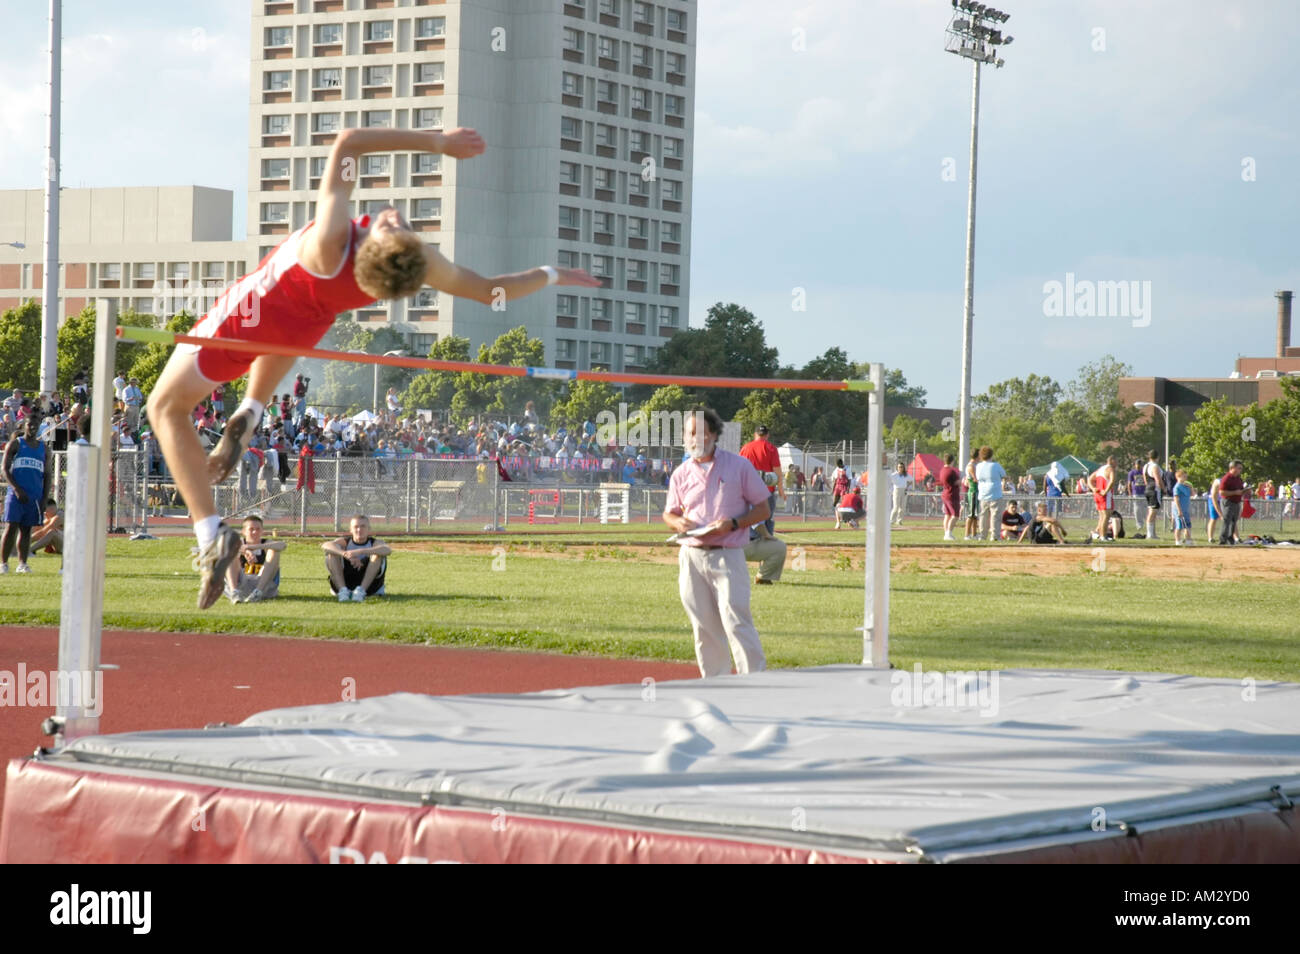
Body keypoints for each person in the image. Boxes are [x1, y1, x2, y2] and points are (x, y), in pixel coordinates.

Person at [144, 123, 599, 608]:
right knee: (283, 339)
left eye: (391, 225)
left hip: (252, 317)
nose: (393, 215)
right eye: (397, 223)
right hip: (301, 331)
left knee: (165, 408)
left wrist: (439, 144)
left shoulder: (333, 240)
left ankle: (211, 537)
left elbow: (348, 143)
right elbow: (490, 292)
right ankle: (251, 412)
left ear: (369, 247)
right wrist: (551, 274)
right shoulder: (419, 262)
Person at [663, 408, 771, 678]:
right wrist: (677, 523)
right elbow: (669, 512)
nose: (694, 439)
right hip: (691, 556)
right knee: (703, 625)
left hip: (728, 554)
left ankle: (755, 680)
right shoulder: (680, 473)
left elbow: (763, 508)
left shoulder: (739, 466)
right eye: (689, 433)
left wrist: (733, 523)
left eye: (699, 433)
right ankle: (714, 683)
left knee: (736, 619)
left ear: (713, 435)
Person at [1, 416, 51, 574]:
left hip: (34, 496)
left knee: (26, 530)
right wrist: (16, 489)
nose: (33, 428)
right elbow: (5, 469)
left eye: (36, 425)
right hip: (16, 495)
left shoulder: (45, 449)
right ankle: (3, 564)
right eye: (30, 425)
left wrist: (44, 498)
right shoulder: (15, 444)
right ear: (24, 426)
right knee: (11, 528)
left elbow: (48, 475)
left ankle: (22, 564)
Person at [323, 514, 392, 602]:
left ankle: (360, 591)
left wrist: (360, 551)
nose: (359, 530)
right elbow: (326, 545)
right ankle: (343, 591)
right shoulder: (345, 542)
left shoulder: (375, 542)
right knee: (332, 553)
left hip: (370, 587)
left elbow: (387, 550)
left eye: (363, 526)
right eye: (356, 527)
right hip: (346, 582)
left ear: (369, 529)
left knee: (377, 554)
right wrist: (345, 554)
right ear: (351, 530)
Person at [224, 515, 285, 604]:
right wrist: (245, 551)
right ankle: (234, 593)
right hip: (241, 584)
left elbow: (282, 545)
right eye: (251, 529)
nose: (255, 532)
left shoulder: (266, 543)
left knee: (274, 550)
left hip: (263, 586)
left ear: (262, 531)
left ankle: (257, 593)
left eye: (258, 529)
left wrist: (253, 547)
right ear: (244, 531)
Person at [739, 424, 785, 533]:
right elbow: (777, 471)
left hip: (749, 490)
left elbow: (739, 469)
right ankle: (767, 544)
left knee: (750, 518)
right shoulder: (771, 448)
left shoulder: (746, 448)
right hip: (767, 490)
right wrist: (781, 489)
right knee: (767, 518)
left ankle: (750, 542)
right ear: (767, 435)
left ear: (755, 434)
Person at [974, 446, 1006, 542]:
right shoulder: (995, 465)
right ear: (991, 455)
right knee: (995, 516)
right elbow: (1004, 475)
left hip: (983, 494)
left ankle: (982, 535)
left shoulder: (978, 466)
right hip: (995, 493)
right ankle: (995, 536)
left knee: (983, 516)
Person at [1089, 456, 1118, 542]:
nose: (1117, 464)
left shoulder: (1100, 469)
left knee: (1102, 516)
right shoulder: (1110, 469)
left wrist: (1093, 488)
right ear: (1112, 461)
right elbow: (1112, 481)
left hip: (1098, 495)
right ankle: (1103, 536)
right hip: (1105, 495)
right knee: (1106, 516)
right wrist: (1106, 491)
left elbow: (1090, 479)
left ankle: (1101, 534)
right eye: (1116, 461)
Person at [1216, 460, 1245, 545]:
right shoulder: (1227, 478)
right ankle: (1223, 539)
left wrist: (1244, 491)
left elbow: (1240, 489)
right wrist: (1235, 492)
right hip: (1228, 501)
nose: (1240, 470)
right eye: (1238, 468)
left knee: (1233, 521)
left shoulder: (1238, 479)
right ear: (1232, 468)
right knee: (1226, 520)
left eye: (1241, 468)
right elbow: (1221, 492)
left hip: (1236, 502)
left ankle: (1230, 538)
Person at [937, 453, 961, 541]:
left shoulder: (942, 470)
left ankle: (946, 533)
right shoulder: (951, 471)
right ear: (952, 461)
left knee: (947, 515)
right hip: (952, 495)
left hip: (945, 493)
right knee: (955, 515)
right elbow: (957, 482)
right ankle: (948, 533)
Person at [1142, 450, 1164, 540]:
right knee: (1153, 512)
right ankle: (1150, 534)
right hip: (1154, 489)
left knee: (1152, 511)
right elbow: (1158, 479)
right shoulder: (1155, 466)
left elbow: (1145, 479)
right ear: (1157, 457)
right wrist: (1163, 489)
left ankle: (1152, 533)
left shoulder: (1146, 466)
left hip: (1148, 488)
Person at [1172, 470, 1194, 546]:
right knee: (1179, 525)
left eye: (1186, 476)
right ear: (1178, 477)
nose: (1185, 478)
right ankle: (1178, 541)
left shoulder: (1186, 486)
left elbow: (1192, 494)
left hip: (1186, 509)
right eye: (1184, 476)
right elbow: (1176, 499)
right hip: (1179, 509)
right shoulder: (1177, 487)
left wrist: (1191, 487)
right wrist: (1179, 510)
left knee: (1188, 525)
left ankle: (1188, 540)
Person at [963, 449, 980, 540]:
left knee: (975, 515)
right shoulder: (971, 466)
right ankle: (966, 535)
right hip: (973, 491)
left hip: (976, 491)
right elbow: (975, 479)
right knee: (971, 514)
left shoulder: (975, 465)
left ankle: (974, 534)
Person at [888, 462, 910, 526]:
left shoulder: (905, 475)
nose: (901, 468)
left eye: (902, 467)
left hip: (904, 490)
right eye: (899, 467)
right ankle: (891, 520)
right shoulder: (894, 475)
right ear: (897, 468)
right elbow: (888, 481)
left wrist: (907, 486)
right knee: (896, 507)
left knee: (902, 507)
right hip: (897, 490)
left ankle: (899, 520)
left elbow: (911, 480)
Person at [1206, 474, 1223, 544]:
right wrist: (1220, 514)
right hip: (1213, 500)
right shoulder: (1218, 481)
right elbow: (1214, 498)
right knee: (1213, 518)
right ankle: (1210, 537)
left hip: (1222, 500)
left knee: (1230, 519)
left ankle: (1235, 538)